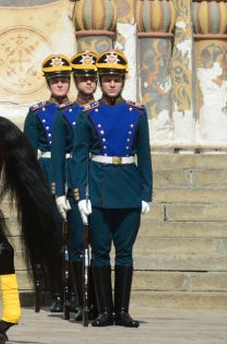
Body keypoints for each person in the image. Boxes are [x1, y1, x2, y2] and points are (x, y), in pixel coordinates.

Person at [72, 49, 153, 328]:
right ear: (100, 81)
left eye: (116, 79)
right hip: (100, 188)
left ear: (123, 80)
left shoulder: (137, 113)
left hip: (128, 188)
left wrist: (146, 193)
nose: (111, 84)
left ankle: (123, 311)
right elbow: (80, 157)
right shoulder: (88, 114)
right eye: (107, 79)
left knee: (126, 253)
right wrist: (80, 195)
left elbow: (145, 155)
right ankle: (105, 311)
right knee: (101, 252)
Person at [51, 49, 99, 321]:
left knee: (97, 245)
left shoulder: (101, 110)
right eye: (82, 78)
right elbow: (57, 156)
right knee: (78, 242)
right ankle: (80, 300)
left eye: (92, 78)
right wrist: (59, 192)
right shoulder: (65, 113)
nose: (88, 83)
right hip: (74, 183)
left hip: (99, 181)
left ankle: (98, 300)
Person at [22, 52, 71, 312]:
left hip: (71, 171)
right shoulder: (38, 113)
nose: (60, 84)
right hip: (46, 172)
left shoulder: (79, 111)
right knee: (51, 234)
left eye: (63, 79)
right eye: (55, 80)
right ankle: (56, 291)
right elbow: (27, 154)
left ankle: (73, 290)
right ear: (48, 83)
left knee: (70, 236)